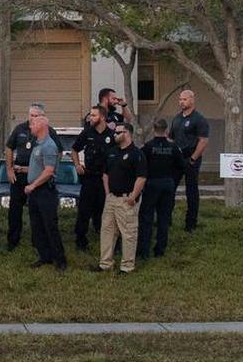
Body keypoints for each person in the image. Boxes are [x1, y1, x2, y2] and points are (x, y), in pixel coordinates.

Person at [96, 123, 147, 273]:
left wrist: (133, 197)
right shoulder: (112, 152)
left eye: (118, 132)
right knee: (107, 231)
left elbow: (141, 177)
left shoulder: (136, 154)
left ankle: (127, 266)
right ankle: (105, 264)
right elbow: (105, 174)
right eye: (114, 132)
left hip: (127, 200)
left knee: (128, 233)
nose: (114, 135)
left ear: (127, 133)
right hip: (111, 198)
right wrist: (107, 194)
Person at [137, 118, 186, 259]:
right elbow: (182, 166)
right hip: (167, 184)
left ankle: (144, 251)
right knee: (164, 218)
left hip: (151, 184)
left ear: (153, 130)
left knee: (146, 217)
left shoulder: (147, 147)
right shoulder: (174, 148)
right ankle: (160, 250)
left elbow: (141, 166)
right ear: (166, 131)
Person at [24, 111, 67, 271]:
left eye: (33, 123)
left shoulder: (49, 145)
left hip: (44, 191)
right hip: (35, 193)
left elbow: (49, 171)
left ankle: (60, 260)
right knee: (37, 226)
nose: (30, 125)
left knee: (50, 225)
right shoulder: (38, 144)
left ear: (42, 126)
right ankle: (45, 256)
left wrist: (33, 185)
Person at [4, 103, 48, 251]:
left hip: (37, 177)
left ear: (42, 116)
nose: (33, 118)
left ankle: (38, 241)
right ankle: (12, 241)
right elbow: (9, 147)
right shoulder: (19, 129)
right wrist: (9, 169)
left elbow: (58, 152)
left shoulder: (47, 131)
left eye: (36, 116)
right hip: (19, 176)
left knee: (36, 211)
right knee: (14, 210)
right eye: (31, 115)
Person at [71, 105, 113, 251]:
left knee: (103, 210)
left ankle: (104, 237)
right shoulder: (87, 133)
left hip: (105, 179)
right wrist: (77, 165)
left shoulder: (111, 135)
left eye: (94, 116)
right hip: (89, 177)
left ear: (102, 117)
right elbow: (74, 149)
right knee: (84, 210)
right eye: (90, 115)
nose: (90, 118)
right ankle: (80, 240)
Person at [168, 89, 209, 232]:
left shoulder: (199, 119)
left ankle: (190, 224)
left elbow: (203, 141)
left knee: (191, 191)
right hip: (176, 159)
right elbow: (170, 138)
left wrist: (193, 158)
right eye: (180, 99)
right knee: (169, 189)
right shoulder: (177, 118)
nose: (181, 102)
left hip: (191, 158)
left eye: (184, 99)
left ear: (192, 99)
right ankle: (166, 220)